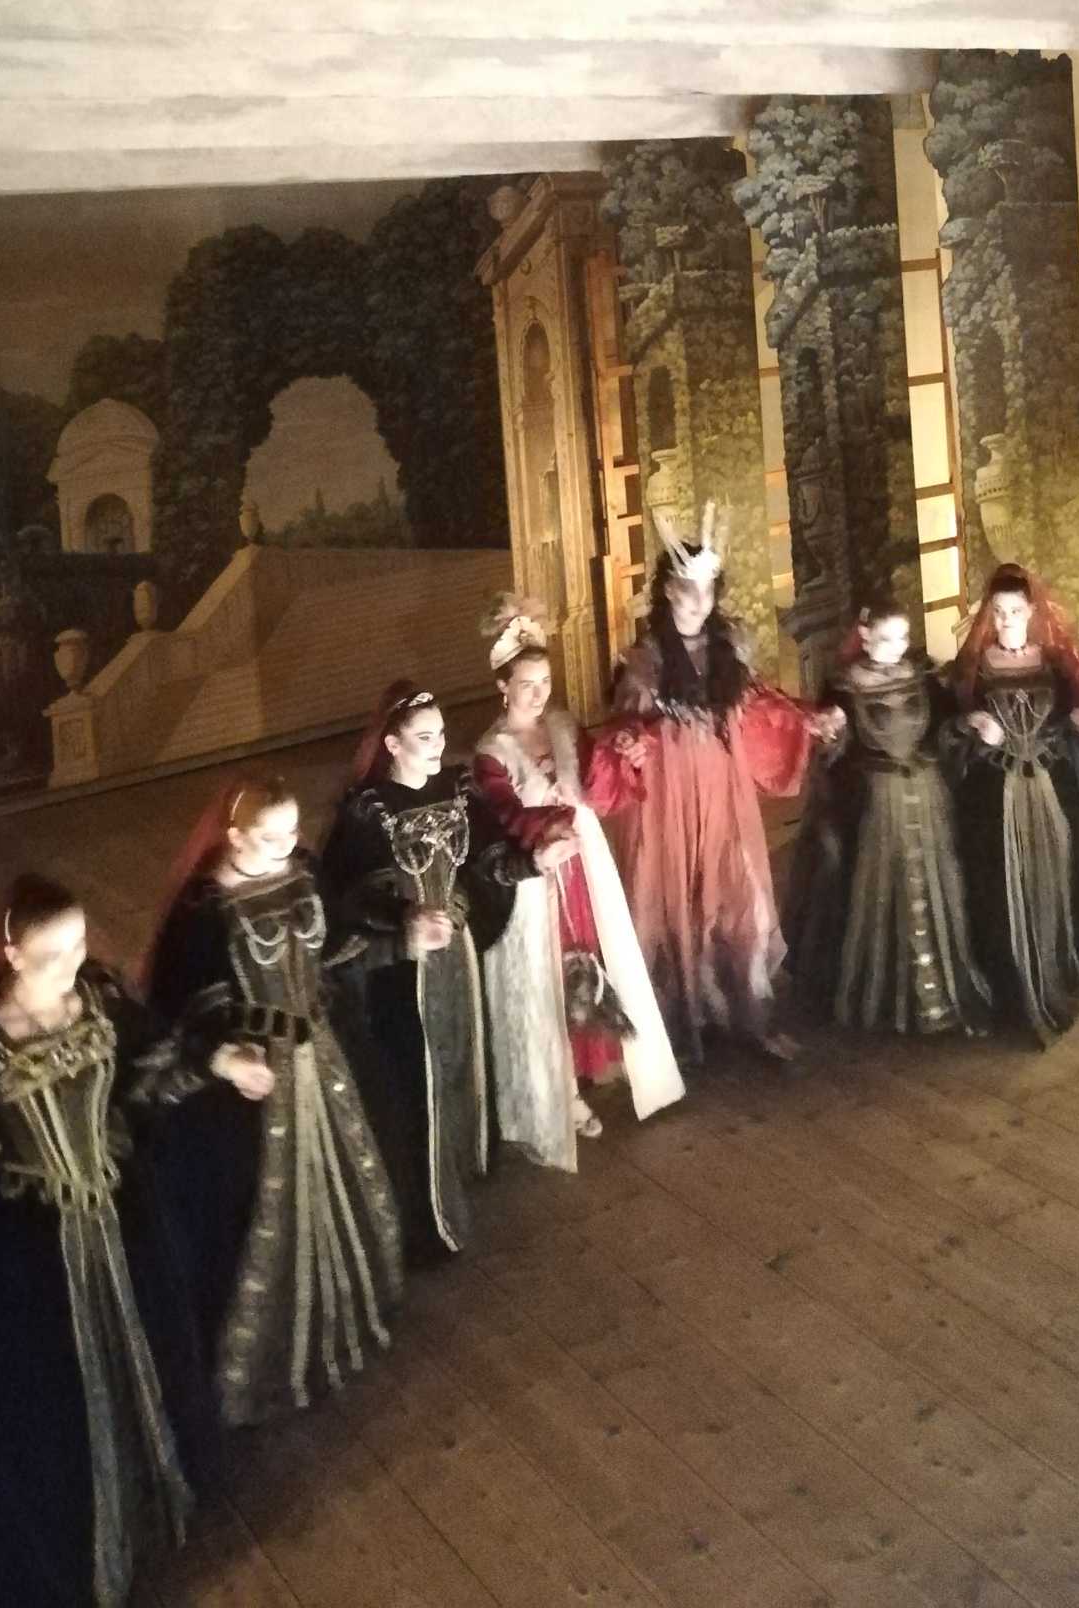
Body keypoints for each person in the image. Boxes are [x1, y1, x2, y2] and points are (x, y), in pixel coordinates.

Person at [0, 873, 255, 1608]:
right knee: (57, 1409)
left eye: (78, 945)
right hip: (35, 1247)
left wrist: (218, 1061)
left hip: (120, 1218)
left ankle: (149, 1503)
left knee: (149, 1355)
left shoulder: (100, 1001)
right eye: (51, 955)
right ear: (12, 953)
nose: (71, 964)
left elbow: (151, 1062)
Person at [145, 777, 403, 1424]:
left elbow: (334, 946)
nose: (286, 845)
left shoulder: (302, 872)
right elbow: (188, 1000)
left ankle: (345, 1314)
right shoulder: (207, 908)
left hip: (324, 1053)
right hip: (254, 1075)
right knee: (258, 1202)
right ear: (234, 836)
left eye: (291, 832)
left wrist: (398, 934)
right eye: (269, 837)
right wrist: (230, 1054)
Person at [592, 502, 845, 1061]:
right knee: (674, 893)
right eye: (688, 590)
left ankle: (744, 1012)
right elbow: (625, 727)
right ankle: (682, 1020)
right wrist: (632, 741)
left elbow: (760, 706)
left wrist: (807, 719)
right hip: (669, 796)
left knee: (735, 888)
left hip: (722, 790)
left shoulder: (730, 651)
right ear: (667, 591)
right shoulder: (645, 660)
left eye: (707, 591)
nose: (699, 602)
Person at [322, 681, 535, 1255]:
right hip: (403, 966)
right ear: (392, 744)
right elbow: (348, 894)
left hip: (455, 956)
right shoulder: (368, 811)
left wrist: (533, 860)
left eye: (441, 733)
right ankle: (423, 1187)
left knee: (462, 1046)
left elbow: (488, 860)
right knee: (416, 1065)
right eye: (424, 737)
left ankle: (465, 1155)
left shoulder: (457, 791)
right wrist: (405, 918)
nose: (439, 744)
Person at [472, 604, 684, 1167]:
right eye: (526, 684)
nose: (538, 694)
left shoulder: (564, 727)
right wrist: (546, 830)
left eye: (545, 682)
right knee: (543, 973)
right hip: (538, 874)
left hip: (584, 863)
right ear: (502, 687)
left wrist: (625, 752)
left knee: (589, 956)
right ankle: (558, 1090)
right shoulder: (492, 752)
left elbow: (599, 781)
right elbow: (502, 814)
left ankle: (598, 1057)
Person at [786, 596, 990, 1037]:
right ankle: (889, 995)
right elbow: (835, 754)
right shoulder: (843, 685)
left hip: (927, 793)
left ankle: (940, 992)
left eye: (902, 638)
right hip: (876, 802)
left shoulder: (922, 676)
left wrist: (968, 724)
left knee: (937, 884)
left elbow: (942, 728)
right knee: (883, 891)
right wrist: (831, 734)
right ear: (864, 636)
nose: (896, 647)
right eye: (885, 639)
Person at [940, 563, 1079, 1044]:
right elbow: (945, 727)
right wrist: (972, 723)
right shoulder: (971, 670)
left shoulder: (1056, 665)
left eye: (1015, 611)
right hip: (994, 794)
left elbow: (1071, 715)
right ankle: (1015, 986)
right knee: (1003, 886)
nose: (1006, 620)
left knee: (1054, 877)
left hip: (1048, 787)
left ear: (1032, 612)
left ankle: (1056, 973)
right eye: (998, 612)